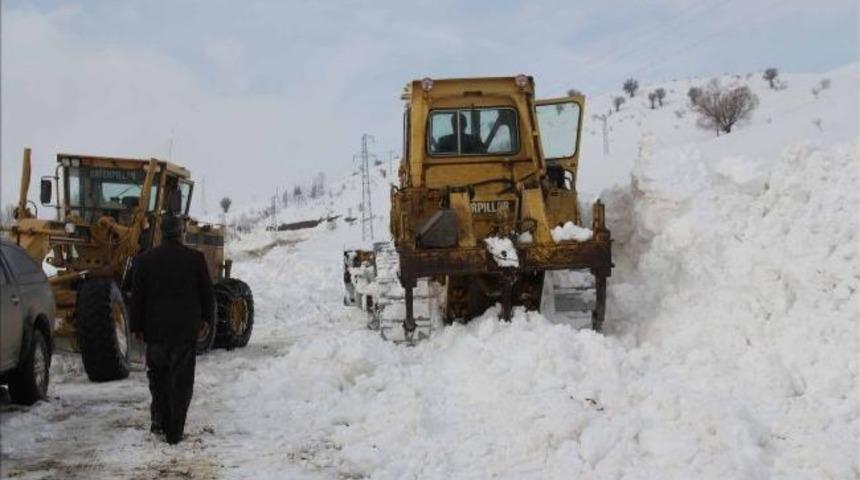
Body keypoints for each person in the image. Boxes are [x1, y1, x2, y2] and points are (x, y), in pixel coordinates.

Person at [130, 214, 214, 445]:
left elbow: (137, 297)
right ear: (181, 232)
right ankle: (175, 432)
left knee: (158, 379)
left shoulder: (144, 260)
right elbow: (208, 296)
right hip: (185, 332)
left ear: (160, 233)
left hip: (155, 332)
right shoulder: (195, 258)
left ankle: (159, 421)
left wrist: (136, 326)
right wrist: (207, 322)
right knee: (181, 381)